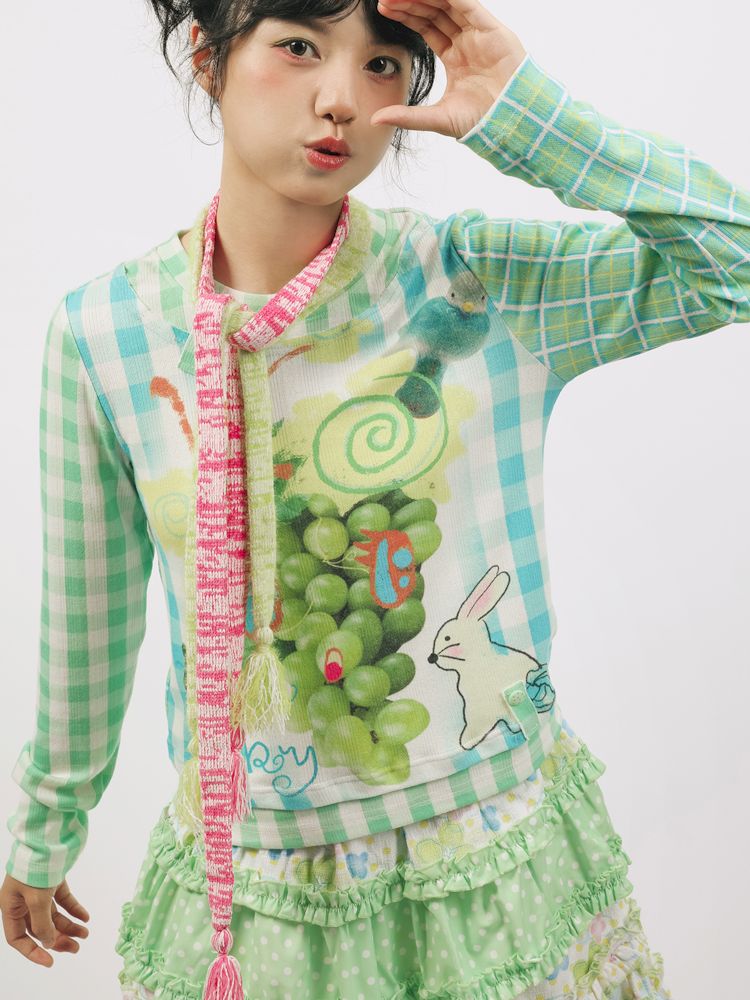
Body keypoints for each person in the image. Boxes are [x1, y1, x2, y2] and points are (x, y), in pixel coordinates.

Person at [2, 0, 748, 996]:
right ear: (209, 58)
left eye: (384, 64)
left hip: (491, 859)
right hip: (259, 886)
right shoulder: (106, 335)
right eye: (298, 47)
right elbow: (86, 618)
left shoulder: (473, 284)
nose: (341, 99)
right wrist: (47, 825)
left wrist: (526, 115)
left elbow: (736, 263)